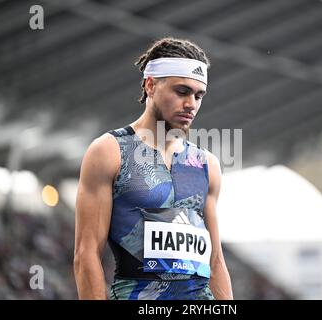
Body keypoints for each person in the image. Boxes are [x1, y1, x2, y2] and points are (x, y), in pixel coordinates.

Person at [74, 37, 233, 300]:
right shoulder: (109, 151)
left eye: (198, 95)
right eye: (182, 92)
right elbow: (86, 255)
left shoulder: (207, 165)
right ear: (150, 85)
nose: (191, 104)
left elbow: (215, 262)